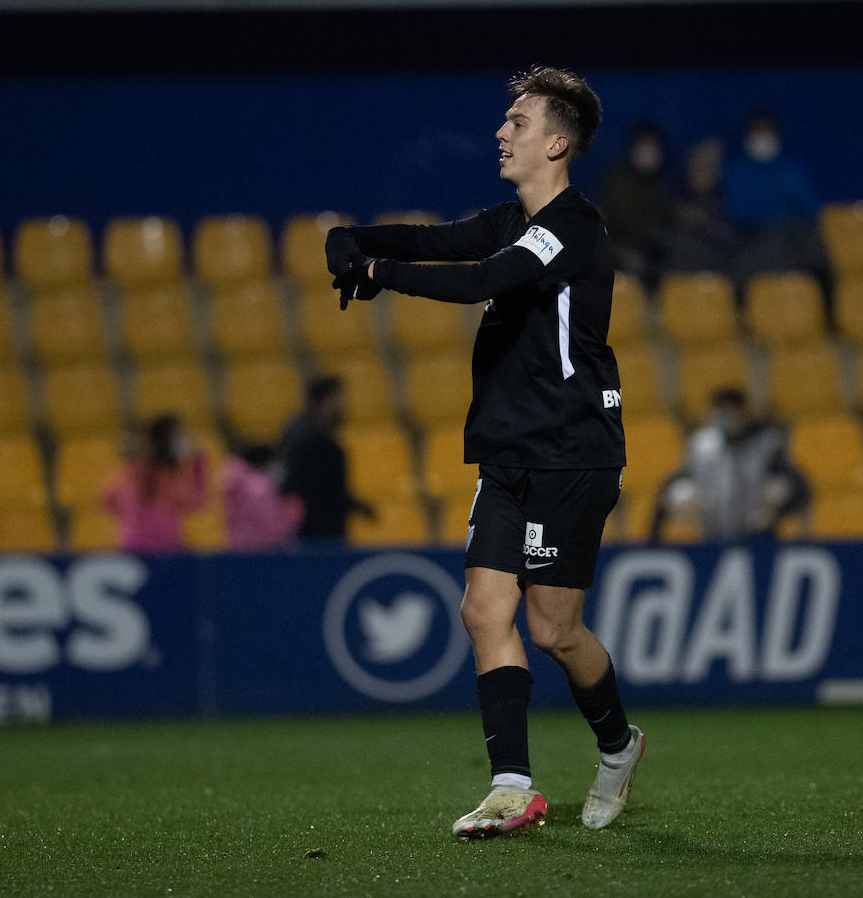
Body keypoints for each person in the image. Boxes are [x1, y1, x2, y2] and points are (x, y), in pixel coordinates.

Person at [324, 66, 644, 840]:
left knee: (553, 630)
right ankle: (511, 788)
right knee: (481, 609)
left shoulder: (574, 227)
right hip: (506, 451)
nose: (502, 132)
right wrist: (352, 237)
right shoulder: (509, 217)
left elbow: (479, 282)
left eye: (519, 123)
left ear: (558, 142)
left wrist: (374, 272)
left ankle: (618, 742)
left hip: (573, 452)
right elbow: (438, 240)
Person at [652, 388, 808, 542]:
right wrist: (658, 531)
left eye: (732, 410)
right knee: (682, 493)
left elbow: (800, 488)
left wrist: (781, 501)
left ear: (744, 412)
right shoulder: (702, 444)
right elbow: (672, 485)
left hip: (759, 534)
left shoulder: (766, 443)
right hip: (712, 533)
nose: (727, 417)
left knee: (777, 488)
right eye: (722, 411)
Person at [722, 110, 831, 301]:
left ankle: (826, 309)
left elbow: (809, 208)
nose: (763, 138)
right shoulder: (737, 171)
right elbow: (740, 212)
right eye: (758, 133)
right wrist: (778, 217)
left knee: (814, 244)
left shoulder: (792, 169)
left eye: (768, 133)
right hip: (756, 239)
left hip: (795, 238)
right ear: (748, 136)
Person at [280, 376, 373, 542]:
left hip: (327, 529)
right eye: (338, 399)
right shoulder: (306, 439)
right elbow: (315, 489)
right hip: (315, 534)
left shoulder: (318, 435)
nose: (343, 406)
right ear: (324, 400)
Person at [102, 413, 206, 554]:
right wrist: (197, 465)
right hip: (164, 550)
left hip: (135, 547)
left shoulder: (132, 470)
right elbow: (195, 502)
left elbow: (108, 498)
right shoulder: (165, 478)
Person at [599, 122, 672, 293]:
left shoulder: (662, 183)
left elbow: (666, 219)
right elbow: (617, 222)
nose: (648, 151)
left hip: (654, 251)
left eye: (653, 146)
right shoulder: (618, 180)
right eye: (644, 145)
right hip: (620, 247)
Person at [666, 137, 740, 273]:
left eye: (711, 164)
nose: (704, 169)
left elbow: (736, 242)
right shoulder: (671, 200)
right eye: (700, 163)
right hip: (680, 276)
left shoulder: (730, 202)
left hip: (720, 276)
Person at [221, 440, 303, 552]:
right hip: (261, 551)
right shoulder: (260, 488)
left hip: (236, 547)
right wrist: (293, 510)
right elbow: (272, 527)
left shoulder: (230, 479)